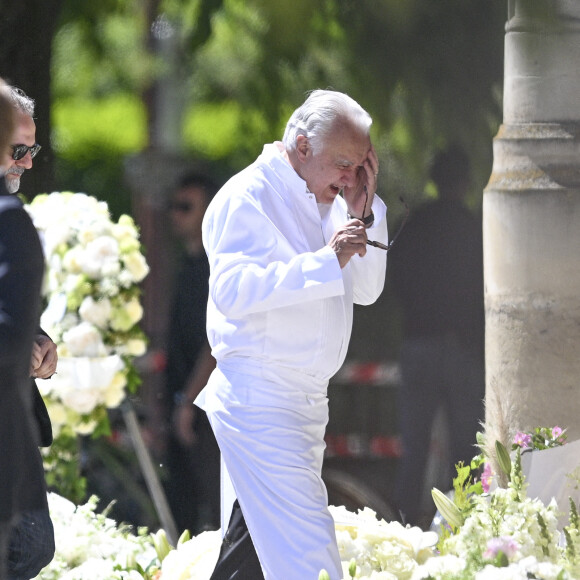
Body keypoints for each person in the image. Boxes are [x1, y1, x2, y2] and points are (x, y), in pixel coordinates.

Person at [195, 89, 388, 579]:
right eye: (344, 164)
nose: (350, 178)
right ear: (302, 146)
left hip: (304, 403)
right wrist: (327, 260)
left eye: (360, 165)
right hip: (261, 402)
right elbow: (233, 291)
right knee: (310, 560)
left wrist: (363, 213)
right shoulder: (247, 195)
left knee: (250, 557)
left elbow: (366, 291)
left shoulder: (338, 201)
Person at [390, 144, 485, 528]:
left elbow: (396, 280)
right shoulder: (475, 226)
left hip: (419, 342)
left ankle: (404, 522)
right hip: (462, 347)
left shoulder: (414, 225)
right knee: (464, 446)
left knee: (413, 444)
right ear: (465, 182)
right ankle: (460, 524)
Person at [1, 84, 57, 579]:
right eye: (19, 150)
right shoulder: (9, 219)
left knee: (32, 544)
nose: (29, 163)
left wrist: (34, 342)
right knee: (29, 543)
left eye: (32, 149)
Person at [163, 172, 221, 535]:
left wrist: (188, 400)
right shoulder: (186, 267)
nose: (175, 215)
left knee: (214, 506)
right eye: (173, 206)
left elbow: (215, 343)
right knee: (181, 505)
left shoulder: (214, 268)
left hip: (205, 406)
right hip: (184, 401)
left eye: (185, 207)